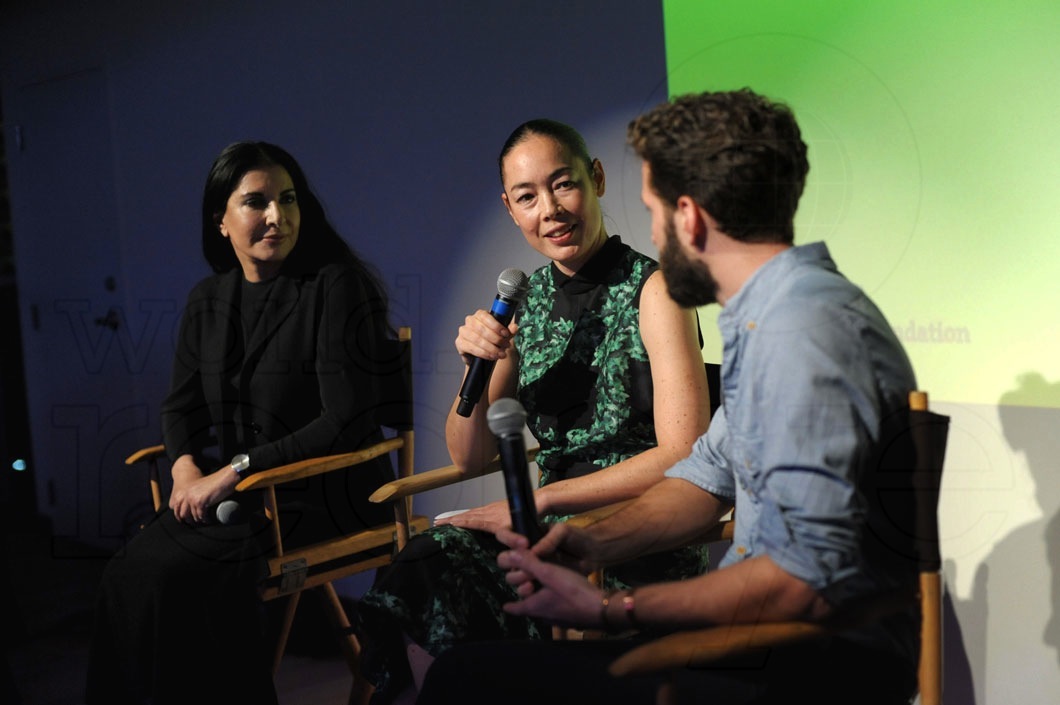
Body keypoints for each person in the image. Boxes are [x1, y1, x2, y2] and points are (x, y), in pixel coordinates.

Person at [415, 88, 921, 705]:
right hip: (750, 642)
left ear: (690, 216)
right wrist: (585, 543)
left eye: (654, 208)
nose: (650, 229)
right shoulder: (770, 320)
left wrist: (614, 608)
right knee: (478, 667)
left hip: (804, 665)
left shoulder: (806, 336)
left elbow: (806, 582)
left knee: (466, 682)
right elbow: (704, 482)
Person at [353, 119, 714, 703]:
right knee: (427, 567)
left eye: (563, 185)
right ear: (510, 209)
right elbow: (469, 456)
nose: (549, 209)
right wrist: (476, 363)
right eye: (527, 197)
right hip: (543, 527)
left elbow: (684, 454)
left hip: (636, 525)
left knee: (455, 591)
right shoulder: (527, 302)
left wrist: (539, 499)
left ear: (595, 179)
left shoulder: (657, 288)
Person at [85, 141, 398, 705]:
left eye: (288, 199)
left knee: (181, 577)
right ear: (221, 220)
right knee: (128, 573)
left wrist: (233, 471)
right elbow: (179, 407)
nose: (278, 215)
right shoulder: (208, 299)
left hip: (321, 494)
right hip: (239, 497)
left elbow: (343, 420)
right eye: (257, 202)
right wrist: (183, 470)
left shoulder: (333, 286)